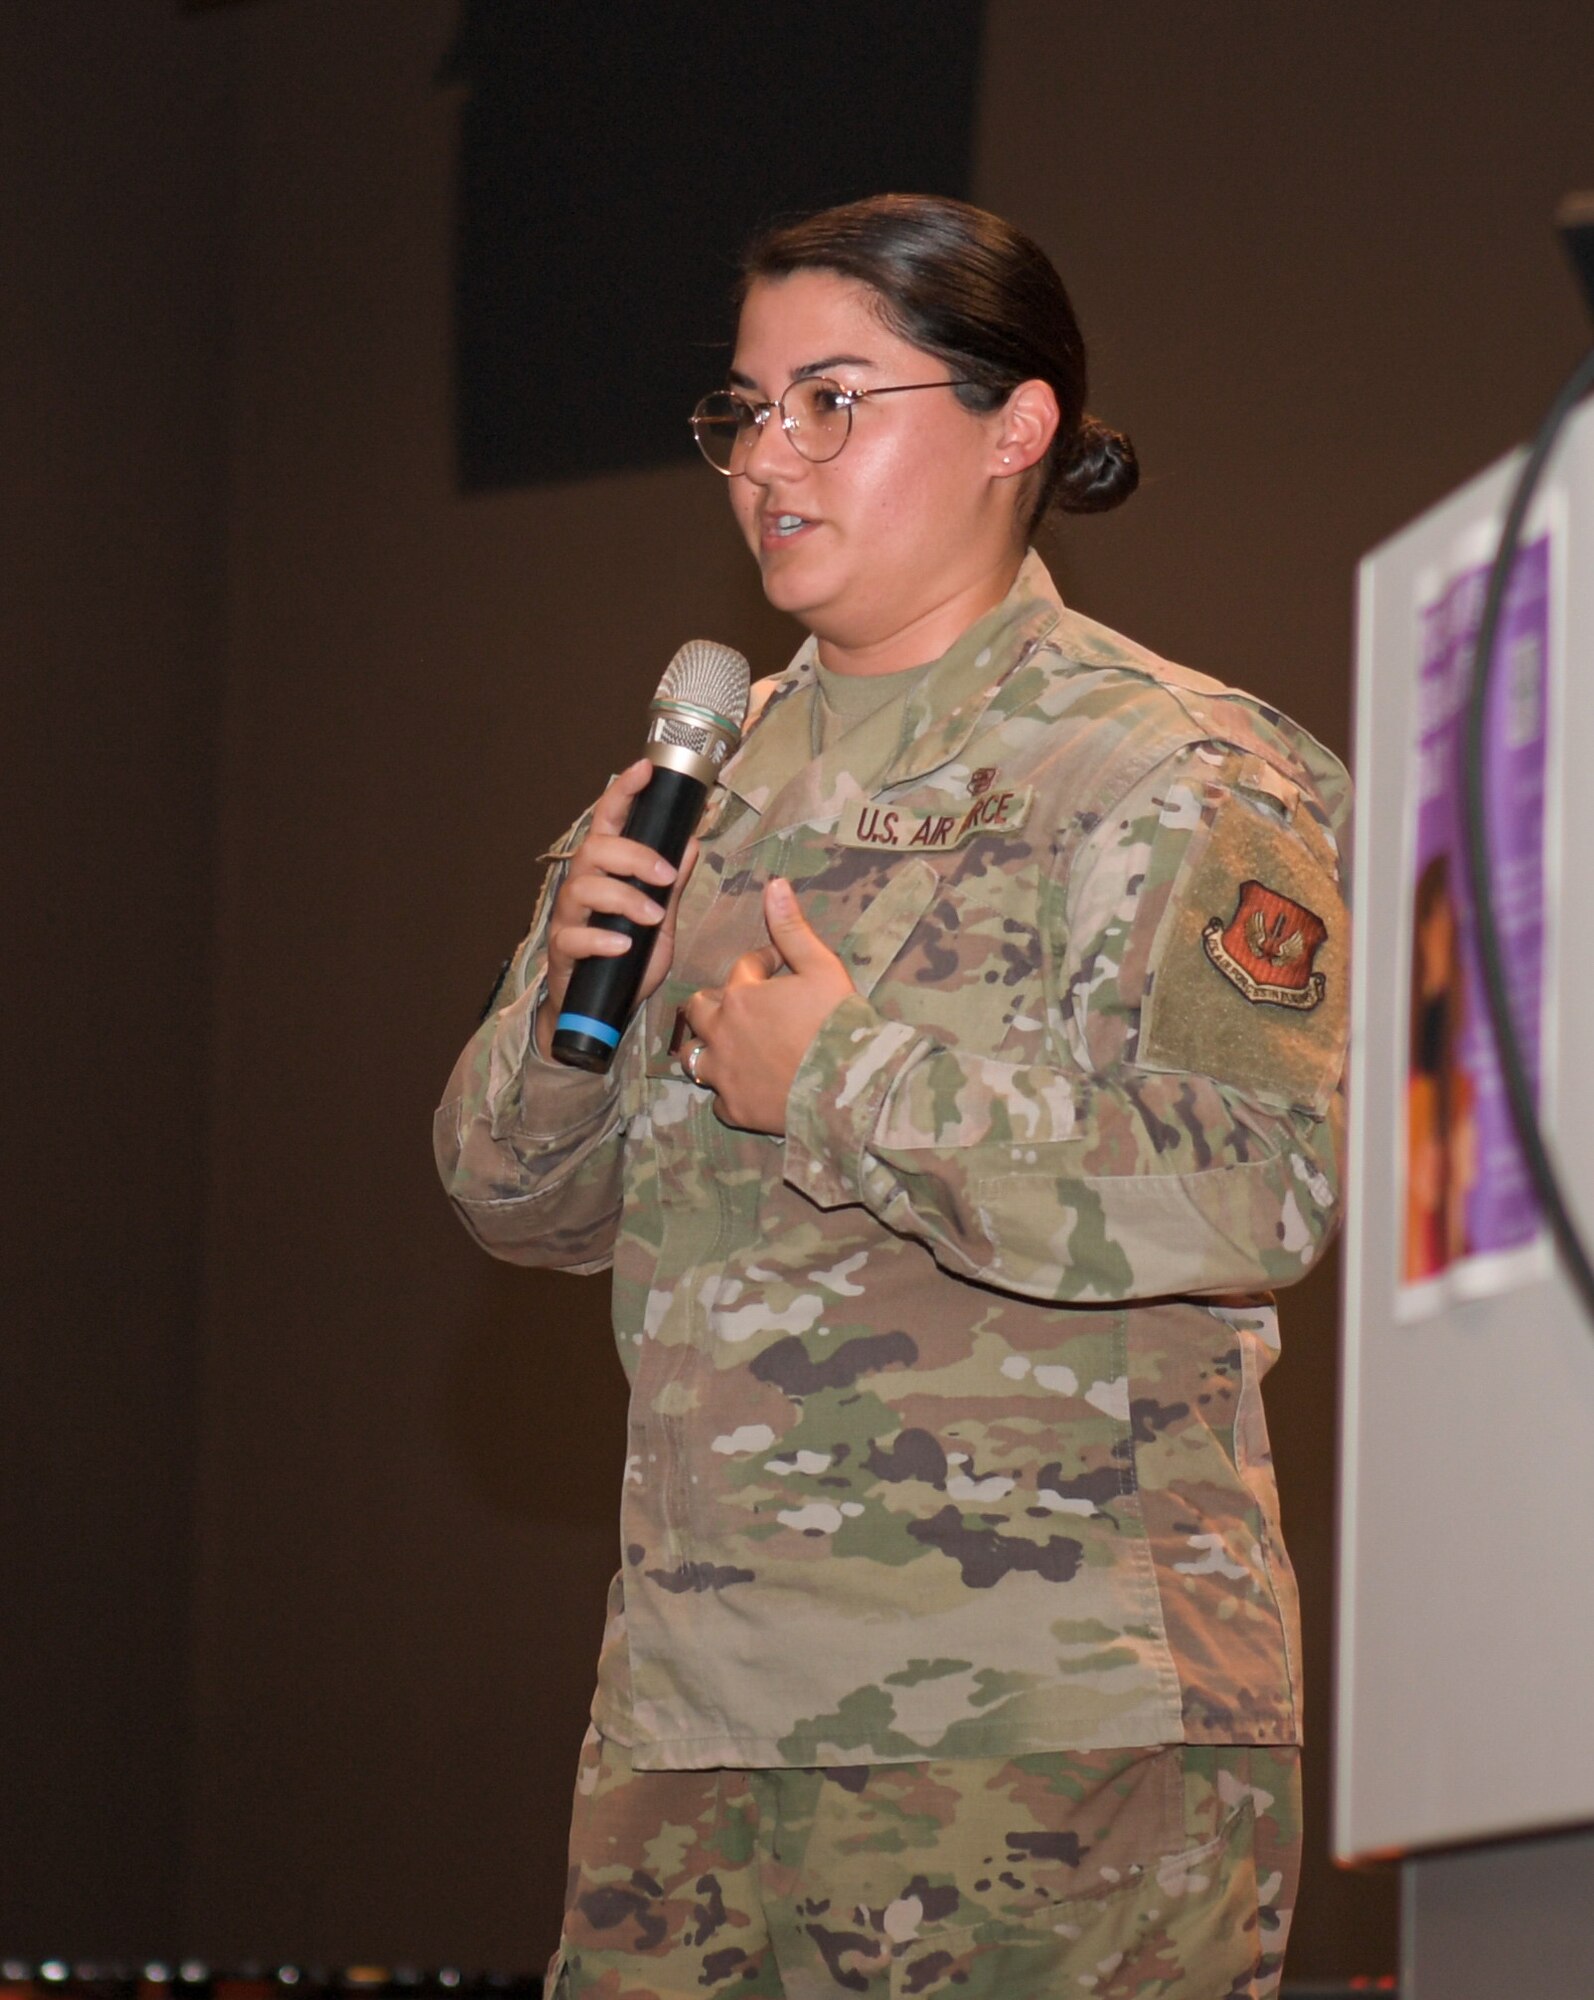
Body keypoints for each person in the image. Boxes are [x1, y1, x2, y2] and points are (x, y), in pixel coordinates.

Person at [435, 194, 1350, 2000]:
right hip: (693, 1727)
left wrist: (837, 1078)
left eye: (833, 400)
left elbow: (1258, 1185)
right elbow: (510, 1205)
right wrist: (570, 994)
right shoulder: (693, 784)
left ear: (1015, 426)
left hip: (1048, 1722)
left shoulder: (1166, 769)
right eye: (745, 410)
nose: (771, 457)